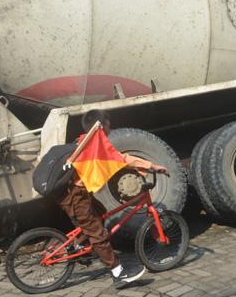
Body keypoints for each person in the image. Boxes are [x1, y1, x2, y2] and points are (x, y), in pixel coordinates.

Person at [58, 109, 168, 285]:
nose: (111, 127)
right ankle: (118, 272)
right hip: (76, 196)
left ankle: (80, 246)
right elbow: (122, 159)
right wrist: (152, 166)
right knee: (98, 233)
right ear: (102, 126)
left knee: (100, 212)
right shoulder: (94, 145)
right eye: (109, 124)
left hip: (76, 193)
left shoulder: (83, 140)